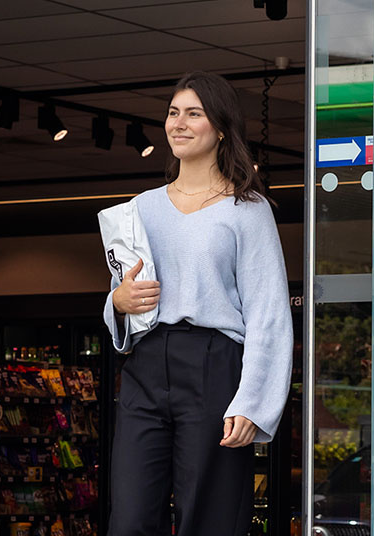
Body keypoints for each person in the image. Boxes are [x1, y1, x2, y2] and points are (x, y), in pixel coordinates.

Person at [101, 71, 292, 536]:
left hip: (215, 366)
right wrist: (118, 302)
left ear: (222, 128)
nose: (178, 124)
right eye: (172, 113)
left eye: (194, 114)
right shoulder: (140, 209)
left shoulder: (248, 210)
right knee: (128, 519)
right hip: (146, 363)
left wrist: (254, 403)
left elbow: (268, 314)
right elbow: (123, 293)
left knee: (210, 516)